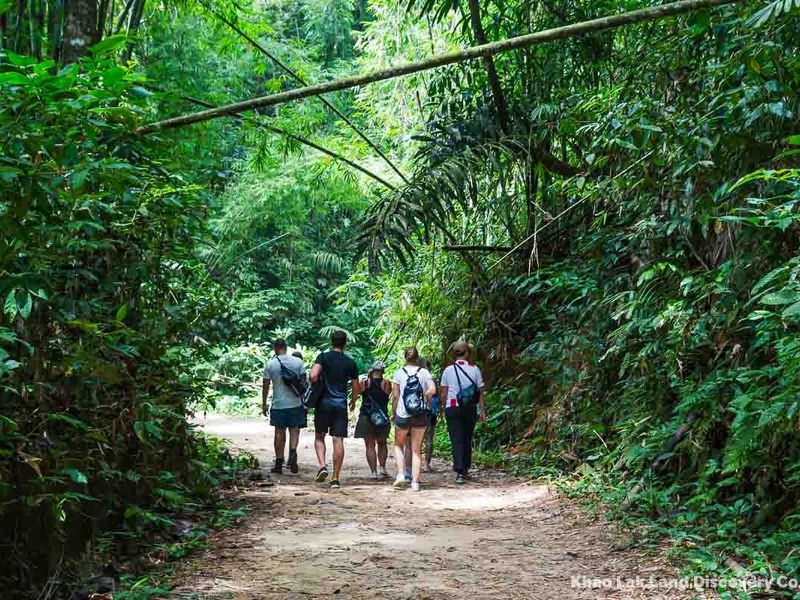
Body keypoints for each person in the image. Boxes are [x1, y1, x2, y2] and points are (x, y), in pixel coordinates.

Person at [310, 330, 359, 489]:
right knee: (338, 439)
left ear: (331, 342)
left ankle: (322, 465)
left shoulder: (323, 357)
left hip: (323, 402)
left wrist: (317, 386)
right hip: (340, 404)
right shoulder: (350, 362)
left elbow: (313, 376)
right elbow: (356, 386)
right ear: (345, 343)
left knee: (319, 435)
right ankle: (335, 478)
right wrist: (352, 402)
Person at [439, 341, 486, 484]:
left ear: (454, 353)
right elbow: (480, 393)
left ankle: (459, 471)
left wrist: (442, 409)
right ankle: (465, 469)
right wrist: (482, 410)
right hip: (469, 408)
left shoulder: (448, 370)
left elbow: (443, 394)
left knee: (456, 439)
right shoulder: (475, 369)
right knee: (467, 437)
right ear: (467, 353)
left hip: (452, 407)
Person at [391, 347, 435, 492]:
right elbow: (433, 390)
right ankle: (415, 483)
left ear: (405, 357)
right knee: (417, 450)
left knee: (398, 445)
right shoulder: (424, 372)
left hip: (403, 414)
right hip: (419, 414)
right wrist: (426, 396)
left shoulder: (398, 373)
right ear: (417, 358)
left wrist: (394, 413)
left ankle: (401, 474)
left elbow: (396, 396)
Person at [262, 339, 307, 475]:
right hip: (295, 403)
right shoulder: (298, 362)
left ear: (275, 348)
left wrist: (264, 403)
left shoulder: (271, 364)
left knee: (279, 432)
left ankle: (279, 462)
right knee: (294, 430)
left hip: (278, 404)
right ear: (286, 348)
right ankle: (292, 453)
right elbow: (303, 382)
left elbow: (265, 386)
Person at [353, 361, 391, 479]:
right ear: (382, 372)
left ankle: (373, 472)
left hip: (366, 415)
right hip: (381, 417)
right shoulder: (386, 383)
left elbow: (358, 392)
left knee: (370, 444)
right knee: (382, 442)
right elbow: (388, 394)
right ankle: (383, 468)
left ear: (371, 371)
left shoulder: (365, 383)